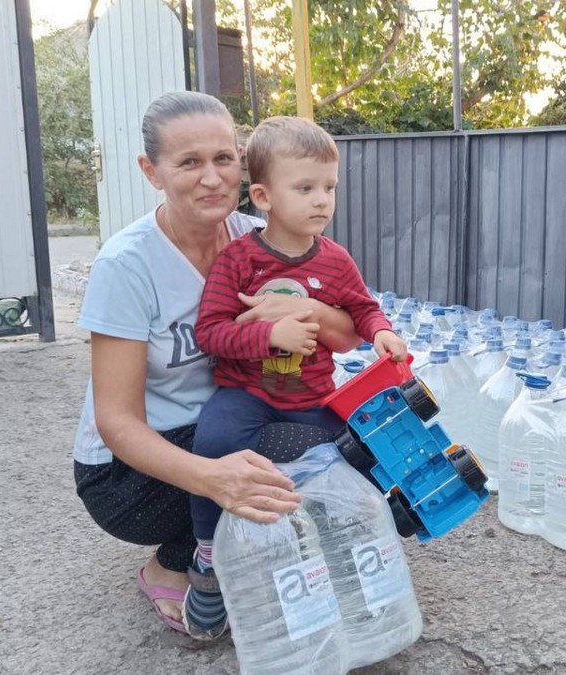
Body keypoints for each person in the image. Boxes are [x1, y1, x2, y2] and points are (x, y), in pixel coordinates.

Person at [72, 91, 366, 637]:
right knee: (298, 456)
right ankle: (175, 561)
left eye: (223, 158)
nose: (211, 178)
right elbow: (116, 421)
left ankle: (251, 546)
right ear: (151, 171)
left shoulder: (253, 238)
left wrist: (305, 307)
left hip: (226, 417)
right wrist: (214, 480)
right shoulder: (127, 265)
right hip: (126, 474)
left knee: (345, 443)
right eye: (188, 162)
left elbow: (347, 334)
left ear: (243, 163)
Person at [185, 116, 408, 637]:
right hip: (246, 394)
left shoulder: (335, 261)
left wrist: (382, 333)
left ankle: (357, 547)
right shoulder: (239, 260)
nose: (321, 201)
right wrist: (269, 337)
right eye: (304, 188)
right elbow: (210, 333)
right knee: (212, 442)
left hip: (314, 397)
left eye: (328, 187)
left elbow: (362, 308)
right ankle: (208, 559)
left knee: (357, 459)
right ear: (262, 196)